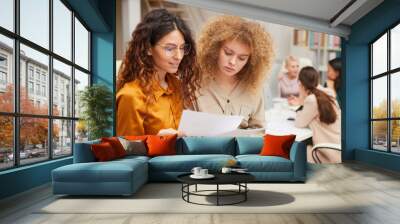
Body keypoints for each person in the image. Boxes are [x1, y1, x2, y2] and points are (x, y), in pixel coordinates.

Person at [116, 9, 200, 136]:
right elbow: (128, 152)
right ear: (148, 49)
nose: (178, 56)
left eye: (182, 48)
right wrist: (158, 140)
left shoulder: (176, 86)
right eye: (169, 48)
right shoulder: (131, 96)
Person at [193, 15, 274, 130]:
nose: (232, 62)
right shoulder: (195, 83)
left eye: (242, 58)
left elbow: (258, 132)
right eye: (228, 53)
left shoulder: (254, 90)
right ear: (215, 49)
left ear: (250, 61)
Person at [295, 66, 341, 163]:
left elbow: (299, 123)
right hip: (338, 149)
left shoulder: (311, 100)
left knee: (293, 148)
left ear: (301, 84)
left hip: (326, 153)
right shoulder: (329, 94)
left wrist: (301, 99)